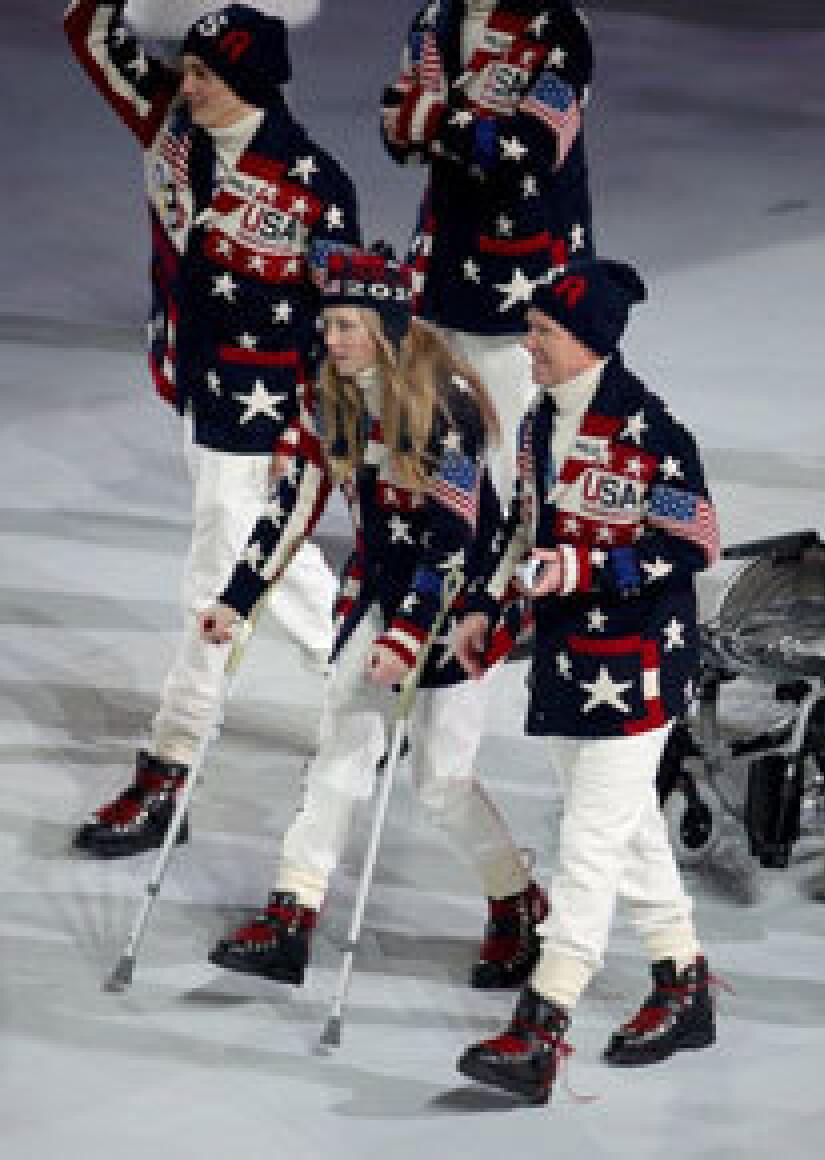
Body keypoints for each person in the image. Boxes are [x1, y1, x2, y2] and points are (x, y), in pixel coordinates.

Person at [198, 240, 546, 988]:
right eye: (328, 327)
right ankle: (293, 910)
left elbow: (454, 541)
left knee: (439, 782)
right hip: (383, 592)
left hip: (459, 606)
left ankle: (517, 903)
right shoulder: (333, 398)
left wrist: (409, 634)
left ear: (386, 327)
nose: (333, 341)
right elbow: (293, 505)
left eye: (348, 326)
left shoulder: (445, 408)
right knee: (341, 749)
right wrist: (237, 596)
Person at [65, 1, 361, 857]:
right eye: (185, 70)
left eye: (202, 74)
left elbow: (345, 332)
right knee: (266, 562)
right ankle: (366, 682)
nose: (182, 83)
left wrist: (310, 443)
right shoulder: (169, 124)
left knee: (214, 583)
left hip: (268, 415)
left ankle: (170, 767)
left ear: (246, 84)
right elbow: (90, 34)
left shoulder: (312, 182)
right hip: (197, 389)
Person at [451, 258, 721, 1105]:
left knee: (590, 841)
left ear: (589, 344)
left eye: (542, 333)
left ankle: (542, 1026)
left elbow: (697, 544)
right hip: (571, 663)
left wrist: (583, 566)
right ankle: (684, 984)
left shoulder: (652, 433)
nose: (526, 344)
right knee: (627, 822)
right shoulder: (538, 421)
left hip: (640, 663)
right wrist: (486, 608)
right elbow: (520, 530)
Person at [379, 0, 595, 501]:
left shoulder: (558, 26)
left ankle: (505, 566)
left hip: (519, 278)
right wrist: (434, 127)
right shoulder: (434, 19)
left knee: (508, 444)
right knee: (433, 435)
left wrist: (436, 123)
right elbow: (400, 134)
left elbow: (535, 147)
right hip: (441, 266)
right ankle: (446, 557)